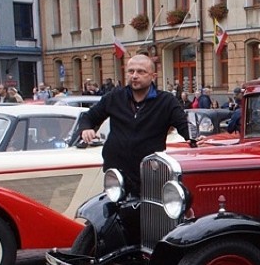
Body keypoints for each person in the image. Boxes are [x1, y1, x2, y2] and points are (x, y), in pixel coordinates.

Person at [78, 54, 194, 193]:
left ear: (153, 76)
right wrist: (86, 128)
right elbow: (89, 117)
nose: (134, 75)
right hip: (117, 175)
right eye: (131, 71)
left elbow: (184, 126)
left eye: (141, 71)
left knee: (150, 213)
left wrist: (195, 138)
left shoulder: (166, 101)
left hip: (151, 174)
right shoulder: (114, 97)